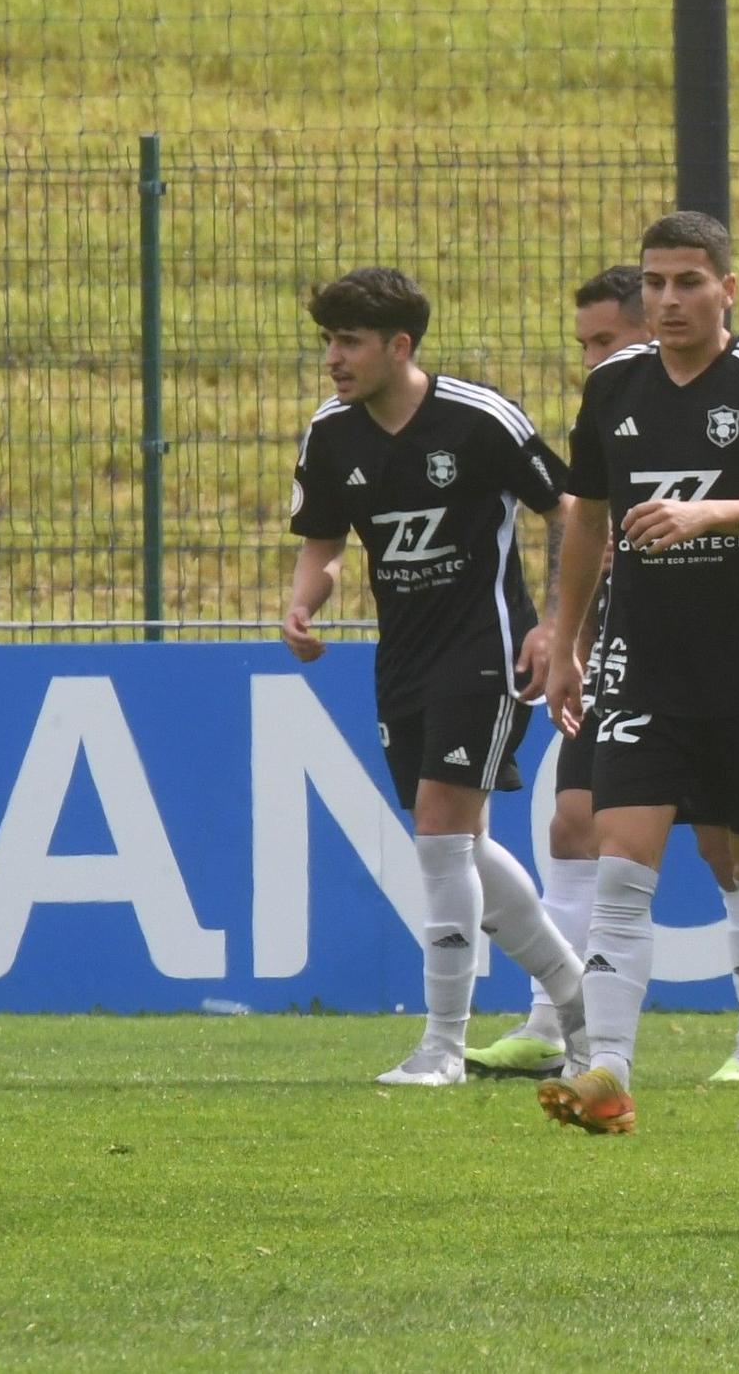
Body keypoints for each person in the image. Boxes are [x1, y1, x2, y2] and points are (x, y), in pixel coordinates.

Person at [536, 211, 739, 1135]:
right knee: (619, 859)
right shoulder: (613, 386)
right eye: (656, 283)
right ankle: (609, 1073)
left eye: (689, 282)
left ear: (727, 289)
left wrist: (707, 517)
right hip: (643, 665)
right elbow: (587, 514)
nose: (669, 300)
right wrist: (568, 634)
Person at [281, 266, 590, 1087]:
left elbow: (566, 508)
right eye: (328, 342)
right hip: (402, 659)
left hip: (486, 651)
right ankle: (573, 997)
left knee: (440, 835)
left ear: (400, 346)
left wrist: (556, 626)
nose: (334, 359)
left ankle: (443, 1048)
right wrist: (303, 603)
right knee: (461, 846)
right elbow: (323, 543)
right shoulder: (331, 435)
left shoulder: (479, 419)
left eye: (349, 342)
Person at [466, 265, 739, 1086]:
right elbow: (586, 528)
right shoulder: (609, 412)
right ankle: (553, 1024)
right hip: (626, 660)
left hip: (717, 660)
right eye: (584, 344)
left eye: (605, 340)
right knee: (572, 824)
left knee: (724, 848)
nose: (593, 358)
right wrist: (565, 637)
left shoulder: (718, 400)